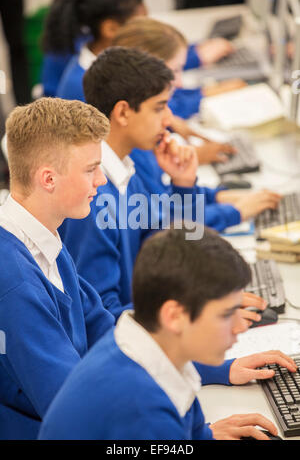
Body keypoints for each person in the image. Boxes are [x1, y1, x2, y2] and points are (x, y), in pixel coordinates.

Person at [60, 46, 280, 322]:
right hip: (134, 338)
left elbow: (170, 245)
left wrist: (184, 185)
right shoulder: (94, 197)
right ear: (124, 113)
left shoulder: (126, 171)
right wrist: (197, 316)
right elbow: (102, 317)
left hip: (147, 314)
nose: (169, 120)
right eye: (160, 108)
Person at [39, 225, 297, 440]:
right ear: (174, 316)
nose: (241, 326)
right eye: (225, 315)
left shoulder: (144, 349)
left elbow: (192, 432)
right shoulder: (143, 408)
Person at [0, 97, 114, 440]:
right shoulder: (14, 283)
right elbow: (75, 415)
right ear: (48, 179)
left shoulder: (43, 237)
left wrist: (206, 364)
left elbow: (106, 333)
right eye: (90, 169)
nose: (103, 180)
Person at [111, 16, 244, 164]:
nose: (180, 83)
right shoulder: (134, 146)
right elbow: (153, 183)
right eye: (175, 70)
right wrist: (186, 159)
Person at [41, 0, 146, 98]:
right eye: (141, 25)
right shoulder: (83, 85)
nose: (148, 32)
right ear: (110, 29)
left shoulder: (119, 64)